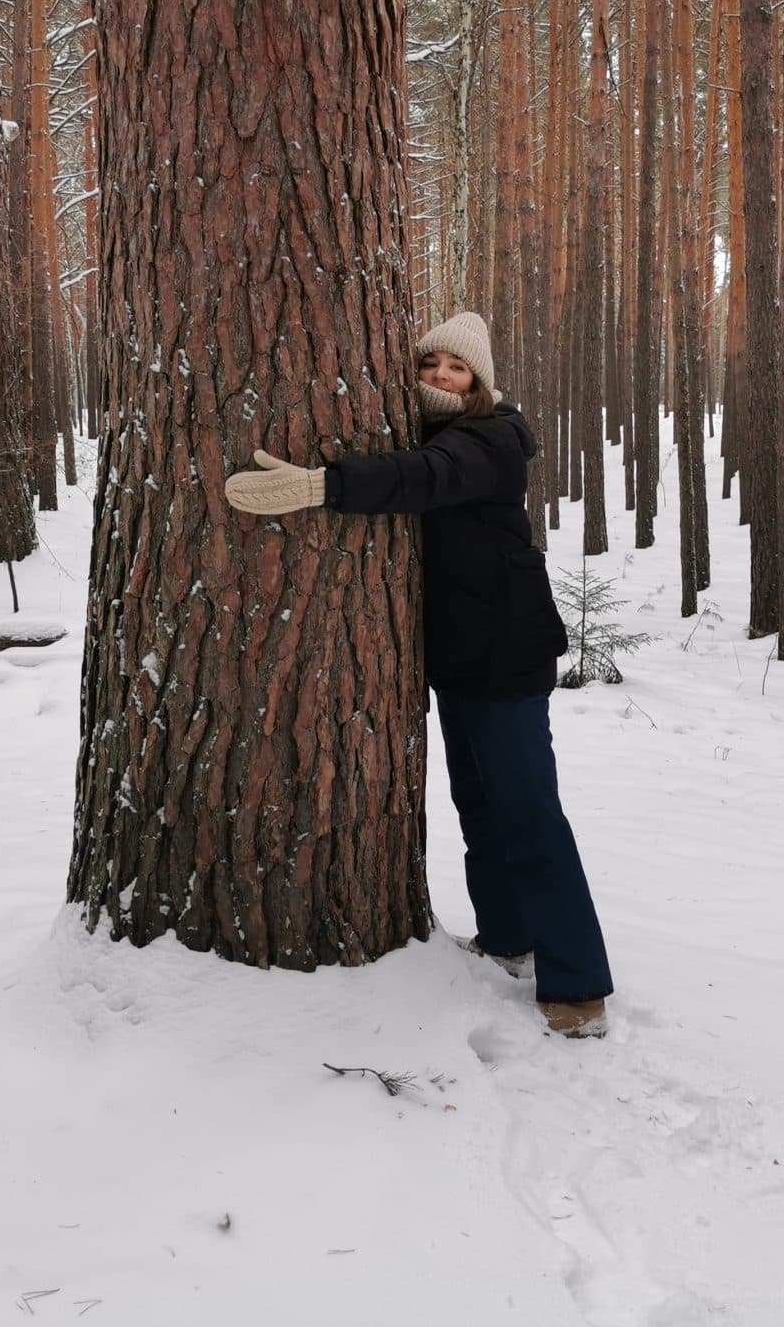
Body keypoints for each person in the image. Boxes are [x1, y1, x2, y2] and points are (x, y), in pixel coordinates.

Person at [221, 311, 615, 1038]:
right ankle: (507, 936)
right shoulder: (429, 434)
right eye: (429, 363)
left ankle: (579, 984)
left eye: (455, 368)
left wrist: (324, 485)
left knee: (528, 815)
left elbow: (428, 479)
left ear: (478, 383)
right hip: (460, 657)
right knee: (479, 806)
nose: (439, 376)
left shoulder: (492, 441)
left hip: (506, 653)